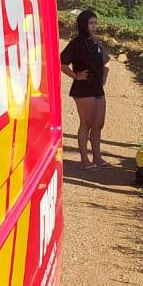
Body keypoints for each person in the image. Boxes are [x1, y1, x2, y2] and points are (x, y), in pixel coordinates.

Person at [60, 9, 110, 169]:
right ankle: (84, 160)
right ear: (83, 25)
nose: (94, 26)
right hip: (83, 88)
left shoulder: (97, 43)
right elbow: (62, 63)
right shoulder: (76, 44)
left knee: (98, 124)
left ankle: (97, 157)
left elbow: (107, 62)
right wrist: (76, 76)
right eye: (91, 23)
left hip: (97, 88)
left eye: (95, 23)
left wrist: (104, 77)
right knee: (86, 123)